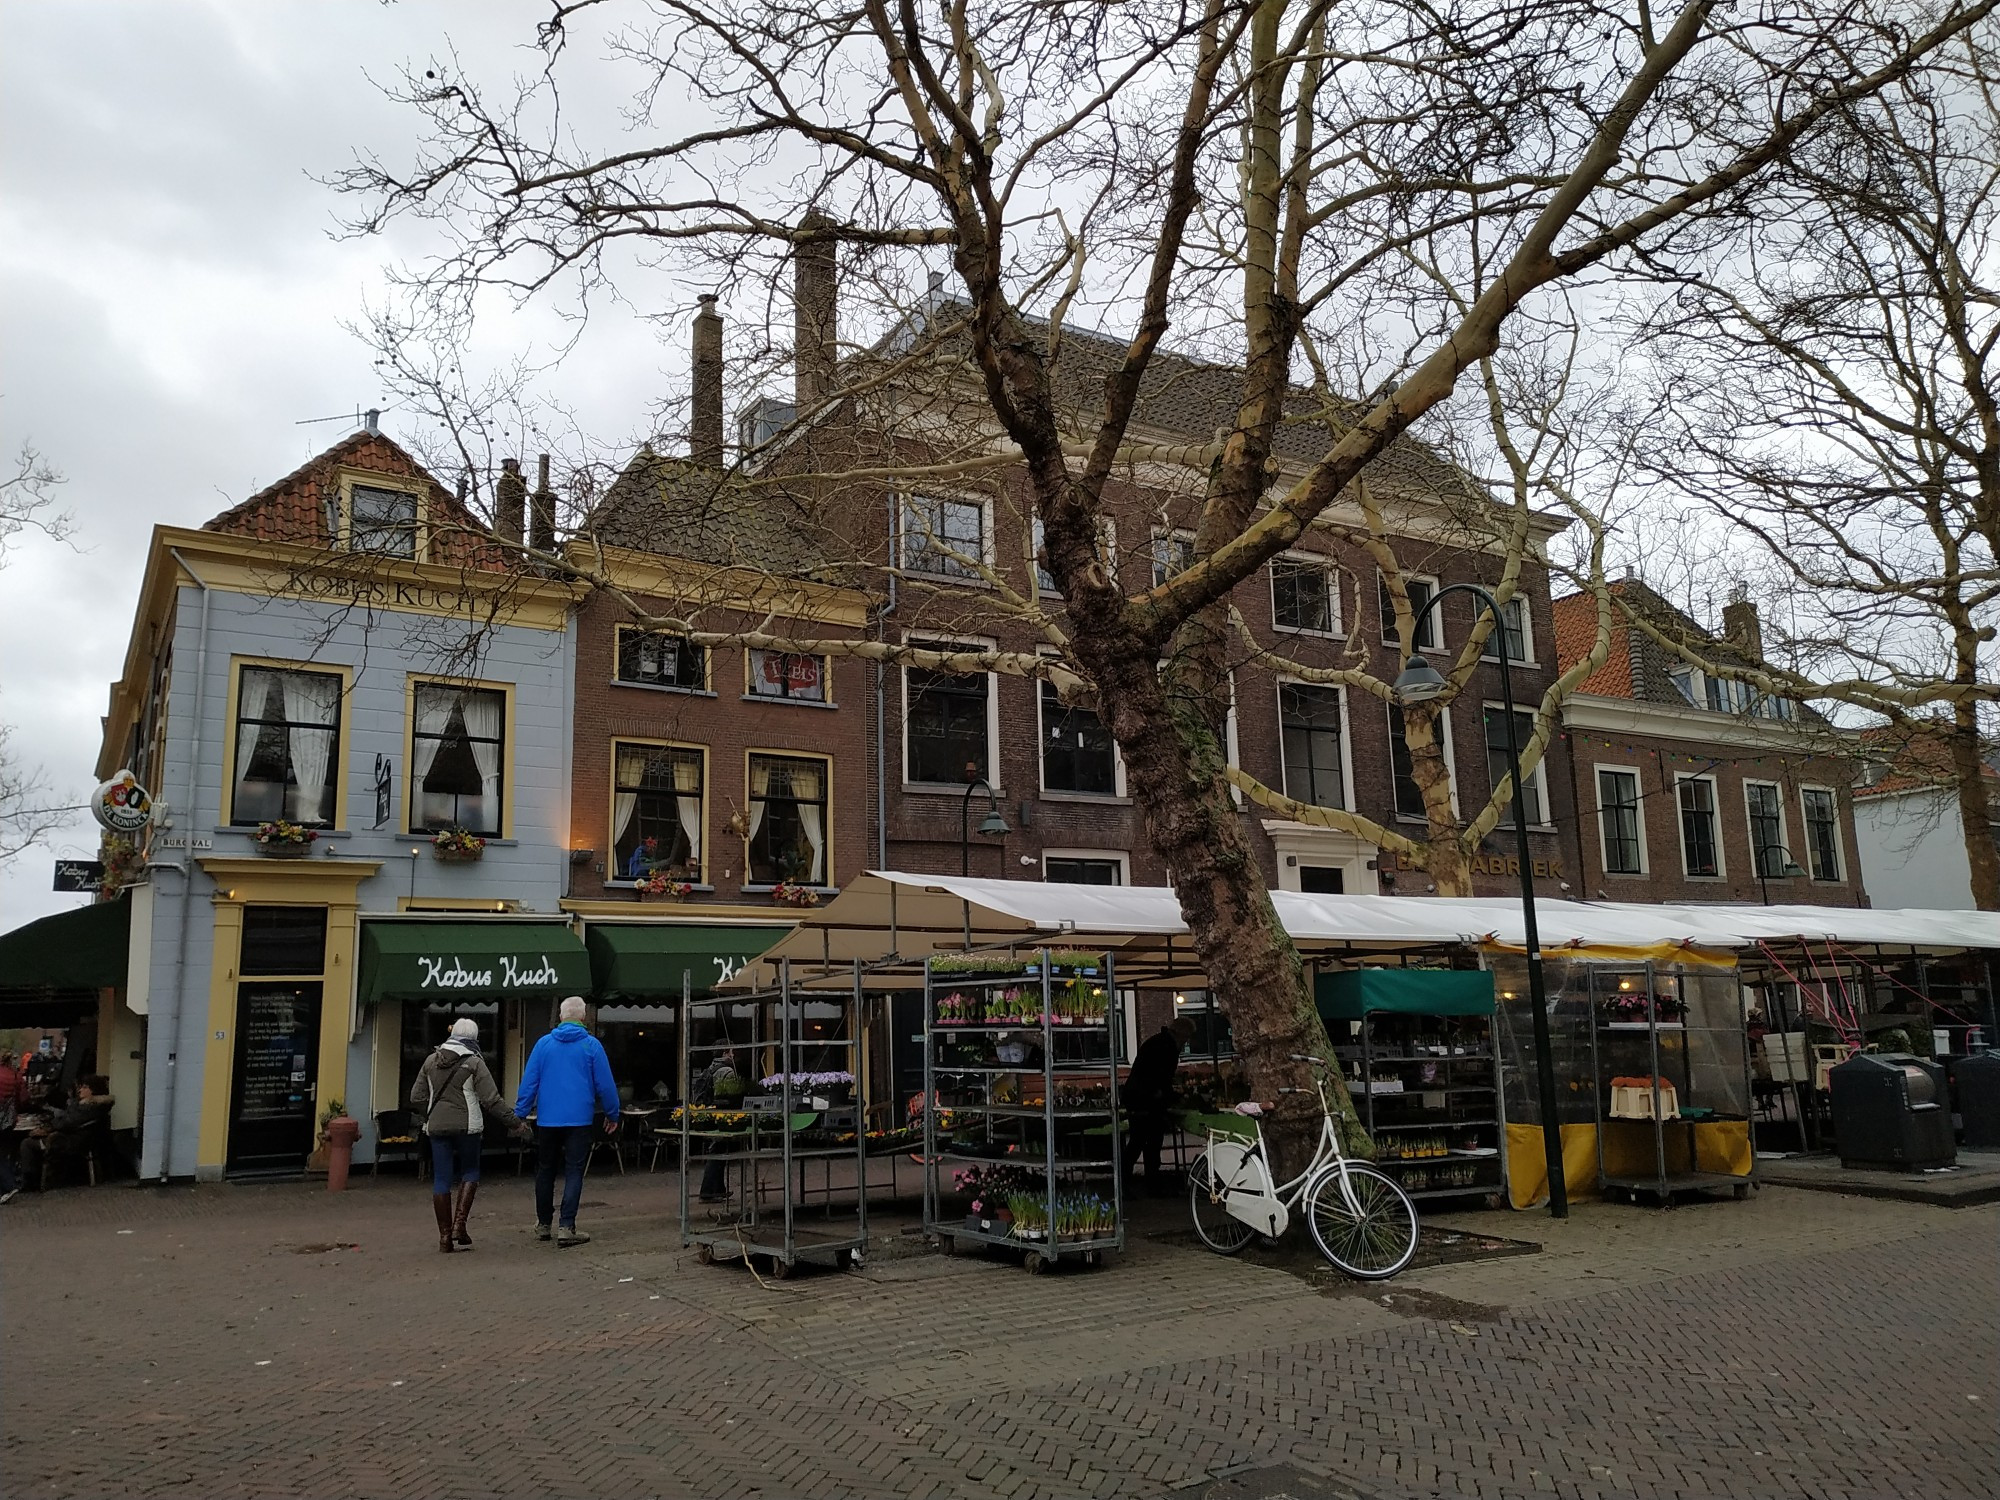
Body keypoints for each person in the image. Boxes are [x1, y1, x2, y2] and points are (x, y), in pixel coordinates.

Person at [410, 1018, 524, 1254]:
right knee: (470, 1171)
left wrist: (434, 1113)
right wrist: (515, 1123)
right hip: (468, 1126)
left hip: (436, 1127)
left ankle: (444, 1238)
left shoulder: (431, 1061)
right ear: (474, 1038)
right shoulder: (474, 1063)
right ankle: (459, 1226)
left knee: (441, 1178)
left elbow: (416, 1097)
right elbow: (491, 1100)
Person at [514, 997, 620, 1247]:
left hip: (548, 1119)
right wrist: (612, 1114)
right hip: (579, 1120)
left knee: (545, 1170)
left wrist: (520, 1114)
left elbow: (529, 1082)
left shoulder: (543, 1045)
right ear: (583, 1017)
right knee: (574, 1171)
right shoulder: (592, 1046)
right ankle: (566, 1226)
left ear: (561, 1017)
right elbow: (605, 1084)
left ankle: (542, 1224)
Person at [1122, 1019, 1193, 1192]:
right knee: (1148, 1140)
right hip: (1146, 1099)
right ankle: (1146, 1181)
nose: (1187, 1042)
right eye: (1187, 1037)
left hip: (1138, 1096)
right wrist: (1172, 1096)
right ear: (1181, 1034)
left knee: (1140, 1140)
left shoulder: (1157, 1041)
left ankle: (1130, 1180)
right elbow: (1161, 1076)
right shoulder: (1167, 1047)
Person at [19, 1075, 113, 1192]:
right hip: (79, 1138)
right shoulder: (96, 1107)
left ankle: (29, 1181)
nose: (80, 1090)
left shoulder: (86, 1108)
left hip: (68, 1141)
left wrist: (48, 1128)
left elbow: (67, 1122)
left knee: (27, 1143)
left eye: (84, 1087)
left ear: (93, 1090)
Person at [689, 1047, 739, 1202]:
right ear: (724, 1053)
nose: (733, 1055)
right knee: (717, 1153)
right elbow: (729, 1095)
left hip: (707, 1115)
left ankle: (718, 1189)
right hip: (722, 1116)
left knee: (717, 1151)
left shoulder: (709, 1069)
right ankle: (708, 1192)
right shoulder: (727, 1071)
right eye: (731, 1051)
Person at [0, 1052, 28, 1203]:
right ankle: (10, 1184)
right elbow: (23, 1099)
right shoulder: (15, 1075)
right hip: (9, 1120)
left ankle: (8, 1185)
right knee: (4, 1152)